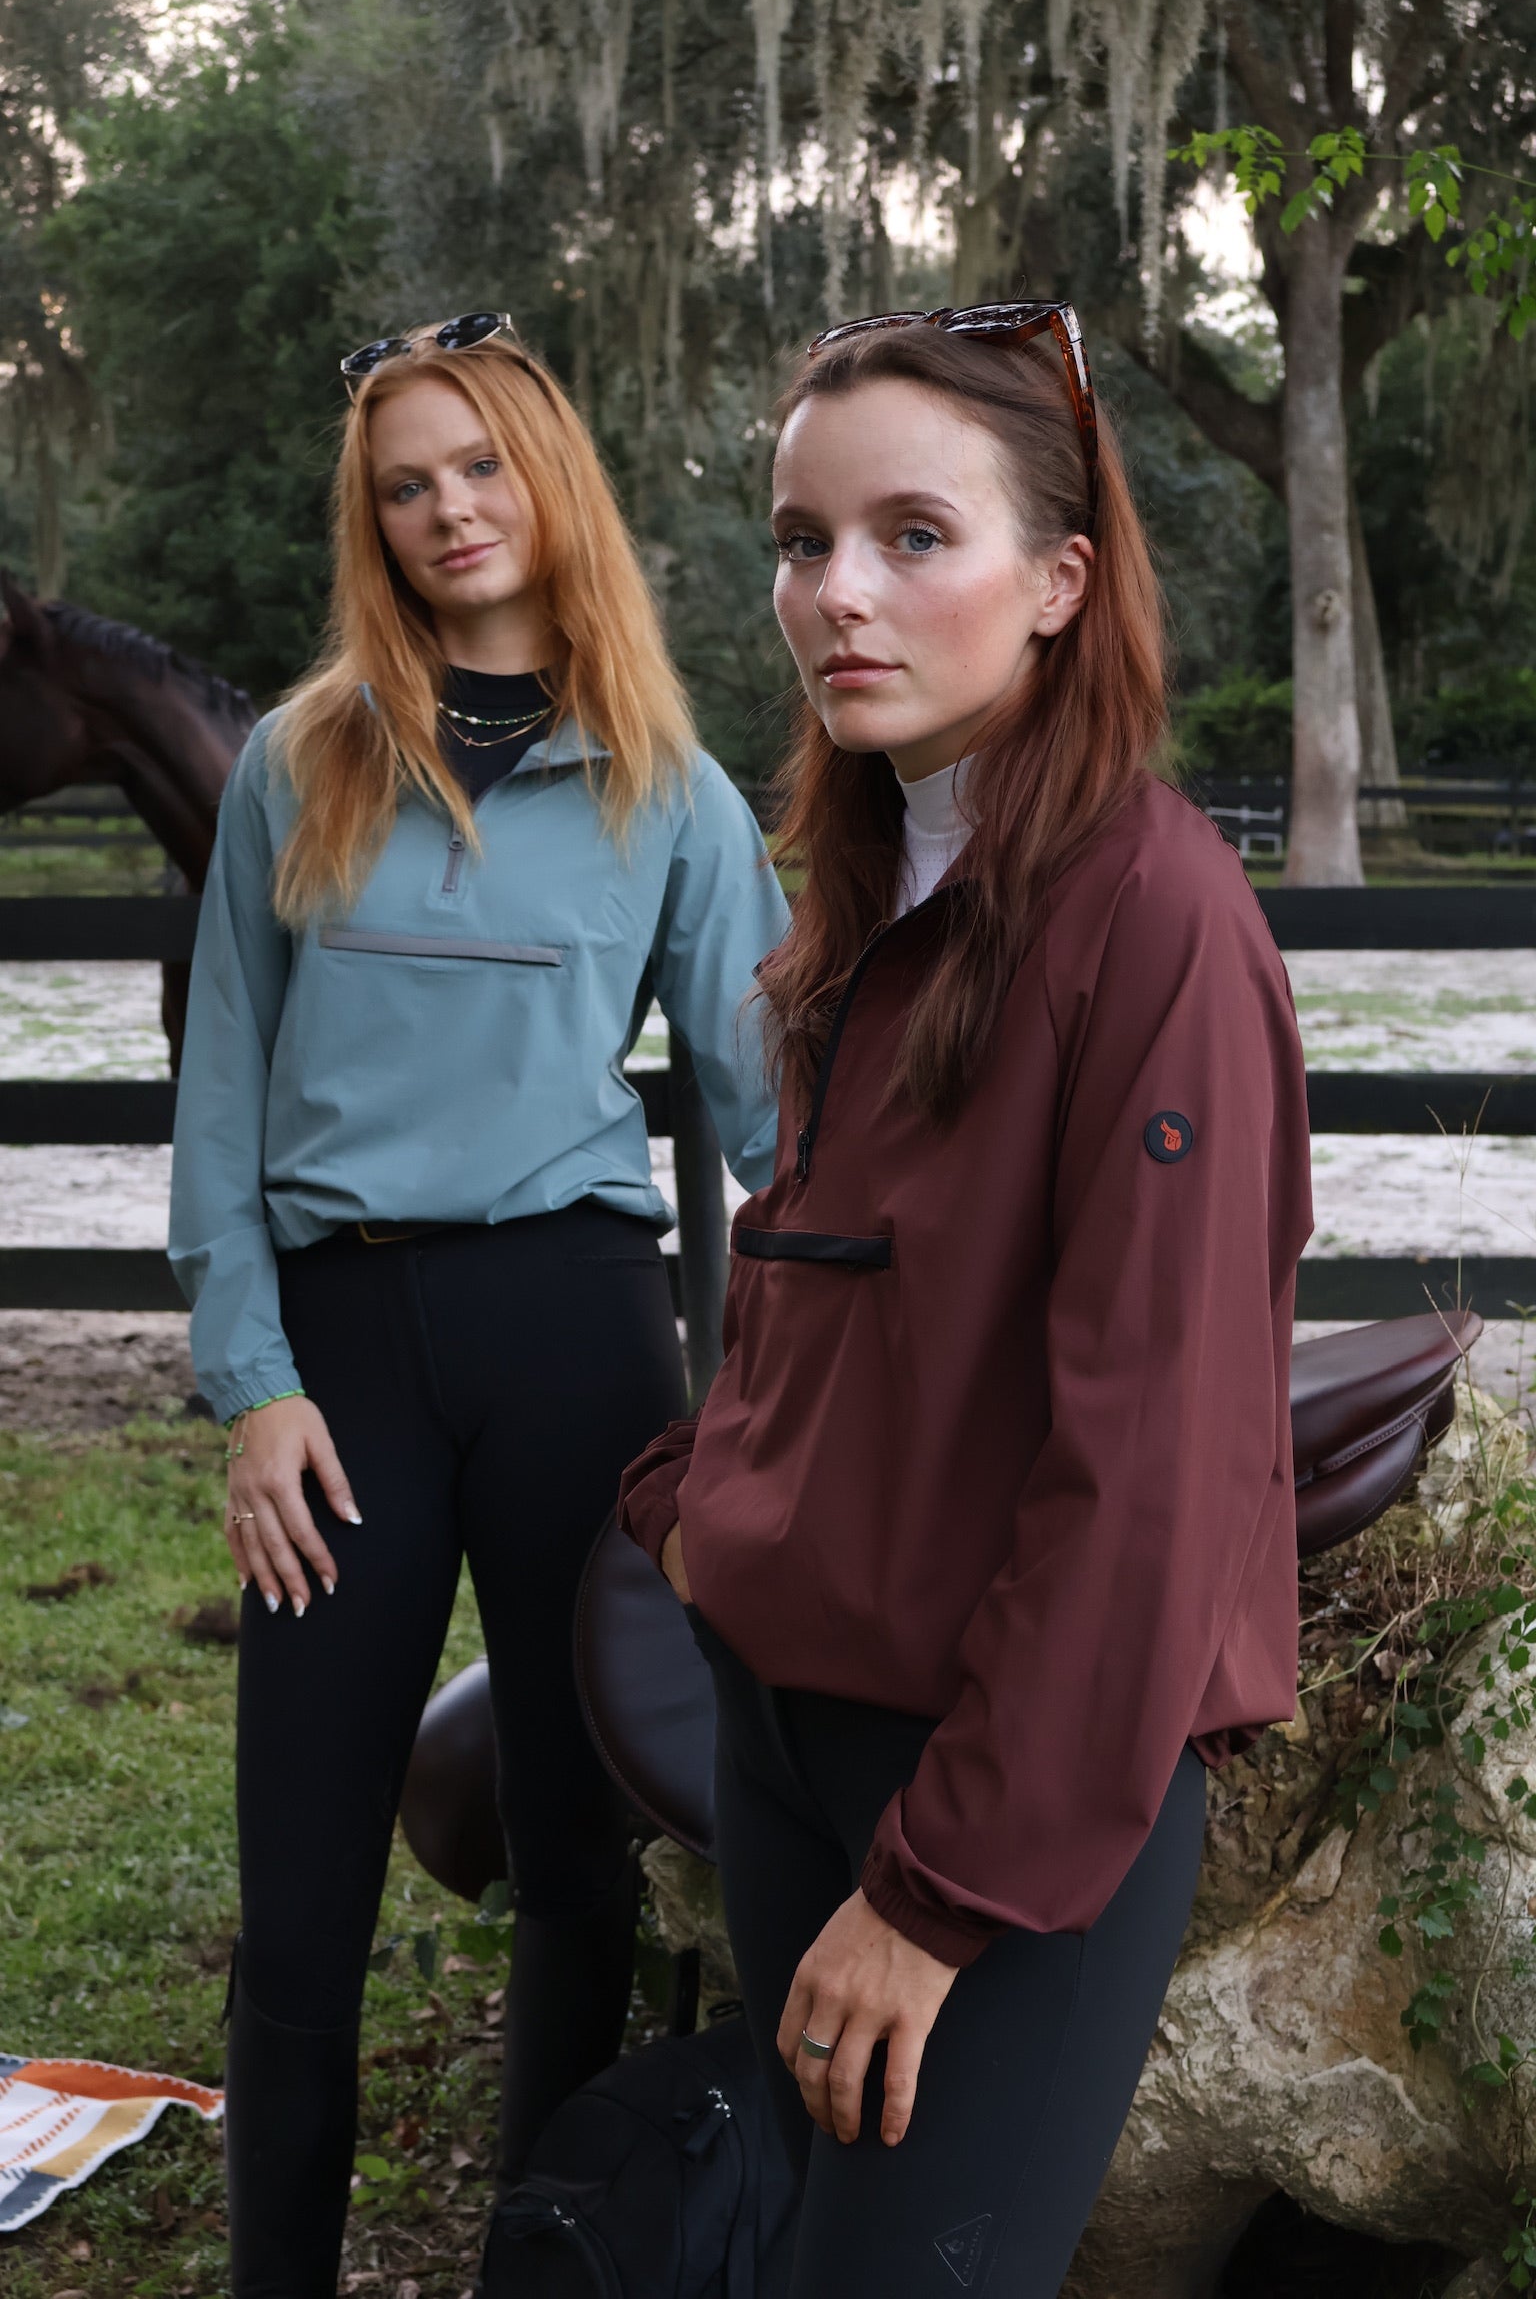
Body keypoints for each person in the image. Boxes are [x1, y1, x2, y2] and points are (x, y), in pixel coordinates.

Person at [617, 303, 1312, 2296]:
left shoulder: (1152, 923)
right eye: (800, 540)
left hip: (992, 1794)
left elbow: (1152, 1478)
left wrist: (939, 1894)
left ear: (1060, 581)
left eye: (913, 536)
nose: (835, 593)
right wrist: (698, 1505)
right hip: (786, 1729)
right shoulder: (870, 894)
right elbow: (818, 1280)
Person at [168, 311, 789, 2298]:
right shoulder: (300, 762)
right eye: (404, 485)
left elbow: (786, 1120)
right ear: (373, 521)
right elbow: (219, 1096)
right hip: (338, 1357)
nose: (448, 510)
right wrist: (252, 1383)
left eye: (479, 467)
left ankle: (545, 2258)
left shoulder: (671, 790)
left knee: (573, 1852)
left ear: (549, 480)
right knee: (300, 1896)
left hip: (574, 1337)